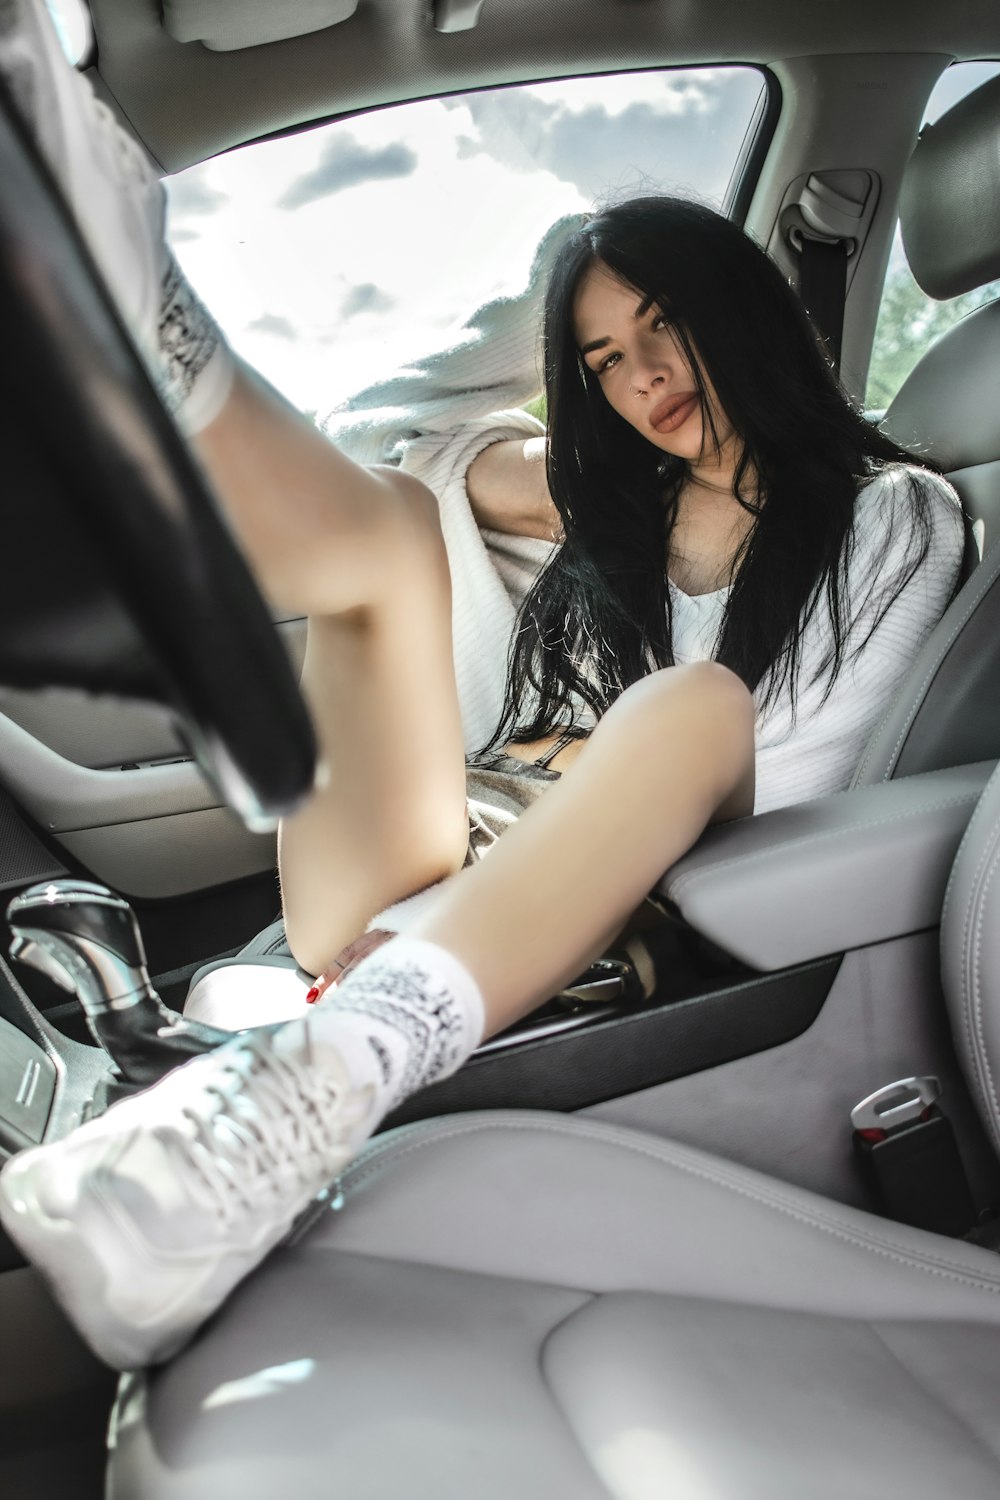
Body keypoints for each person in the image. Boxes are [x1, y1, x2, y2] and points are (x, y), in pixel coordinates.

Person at [0, 0, 964, 1371]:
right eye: (599, 362)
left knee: (689, 708)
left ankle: (324, 1077)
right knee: (391, 515)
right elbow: (412, 436)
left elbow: (797, 780)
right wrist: (547, 418)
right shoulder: (603, 523)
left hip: (629, 913)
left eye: (665, 327)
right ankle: (131, 316)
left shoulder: (893, 512)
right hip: (448, 868)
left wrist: (569, 827)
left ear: (743, 315)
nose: (641, 380)